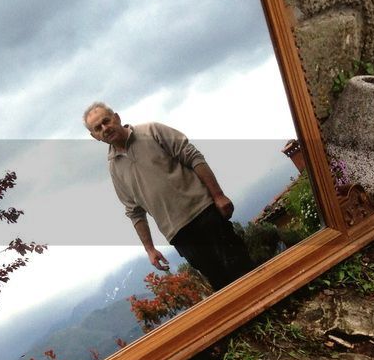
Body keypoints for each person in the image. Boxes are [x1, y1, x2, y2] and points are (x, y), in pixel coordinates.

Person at [83, 101, 253, 290]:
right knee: (219, 282)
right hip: (178, 234)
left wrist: (218, 195)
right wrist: (150, 249)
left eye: (106, 121)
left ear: (116, 118)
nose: (105, 128)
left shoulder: (152, 131)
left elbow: (192, 157)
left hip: (204, 212)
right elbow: (134, 211)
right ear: (95, 136)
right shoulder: (114, 168)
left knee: (241, 267)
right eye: (98, 128)